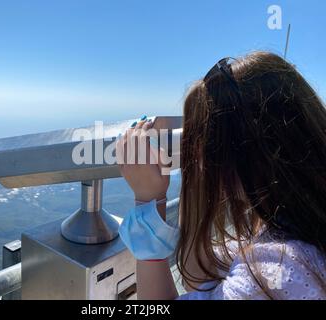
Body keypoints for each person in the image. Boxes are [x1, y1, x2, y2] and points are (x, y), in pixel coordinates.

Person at [116, 51, 326, 300]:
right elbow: (199, 278)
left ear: (244, 152)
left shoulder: (272, 274)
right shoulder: (294, 231)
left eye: (206, 144)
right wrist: (196, 179)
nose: (201, 160)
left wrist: (148, 201)